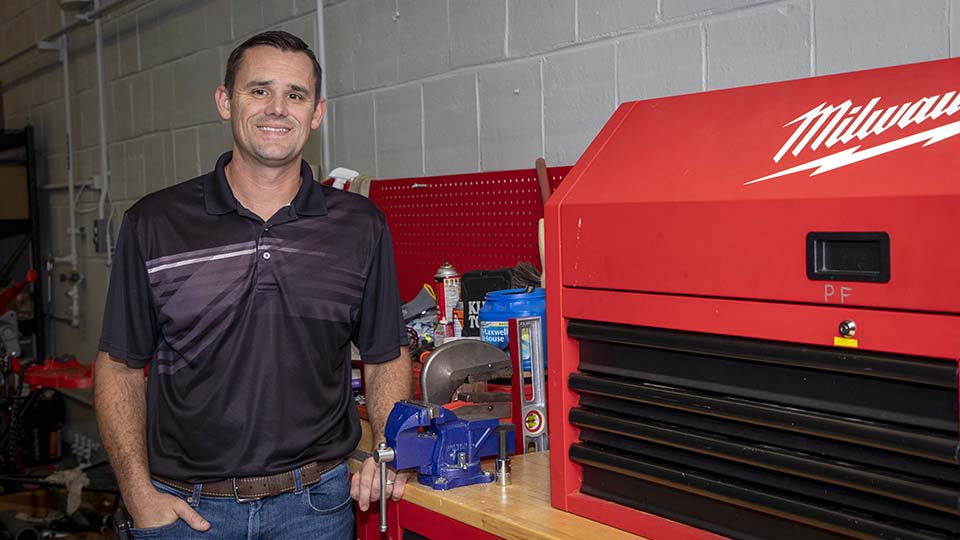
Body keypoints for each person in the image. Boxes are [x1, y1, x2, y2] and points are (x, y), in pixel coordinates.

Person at [94, 30, 412, 539]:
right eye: (259, 90)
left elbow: (386, 355)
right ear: (225, 101)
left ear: (317, 113)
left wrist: (391, 450)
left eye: (295, 95)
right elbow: (119, 367)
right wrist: (137, 495)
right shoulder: (154, 223)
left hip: (315, 509)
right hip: (185, 512)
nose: (277, 109)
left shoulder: (360, 226)